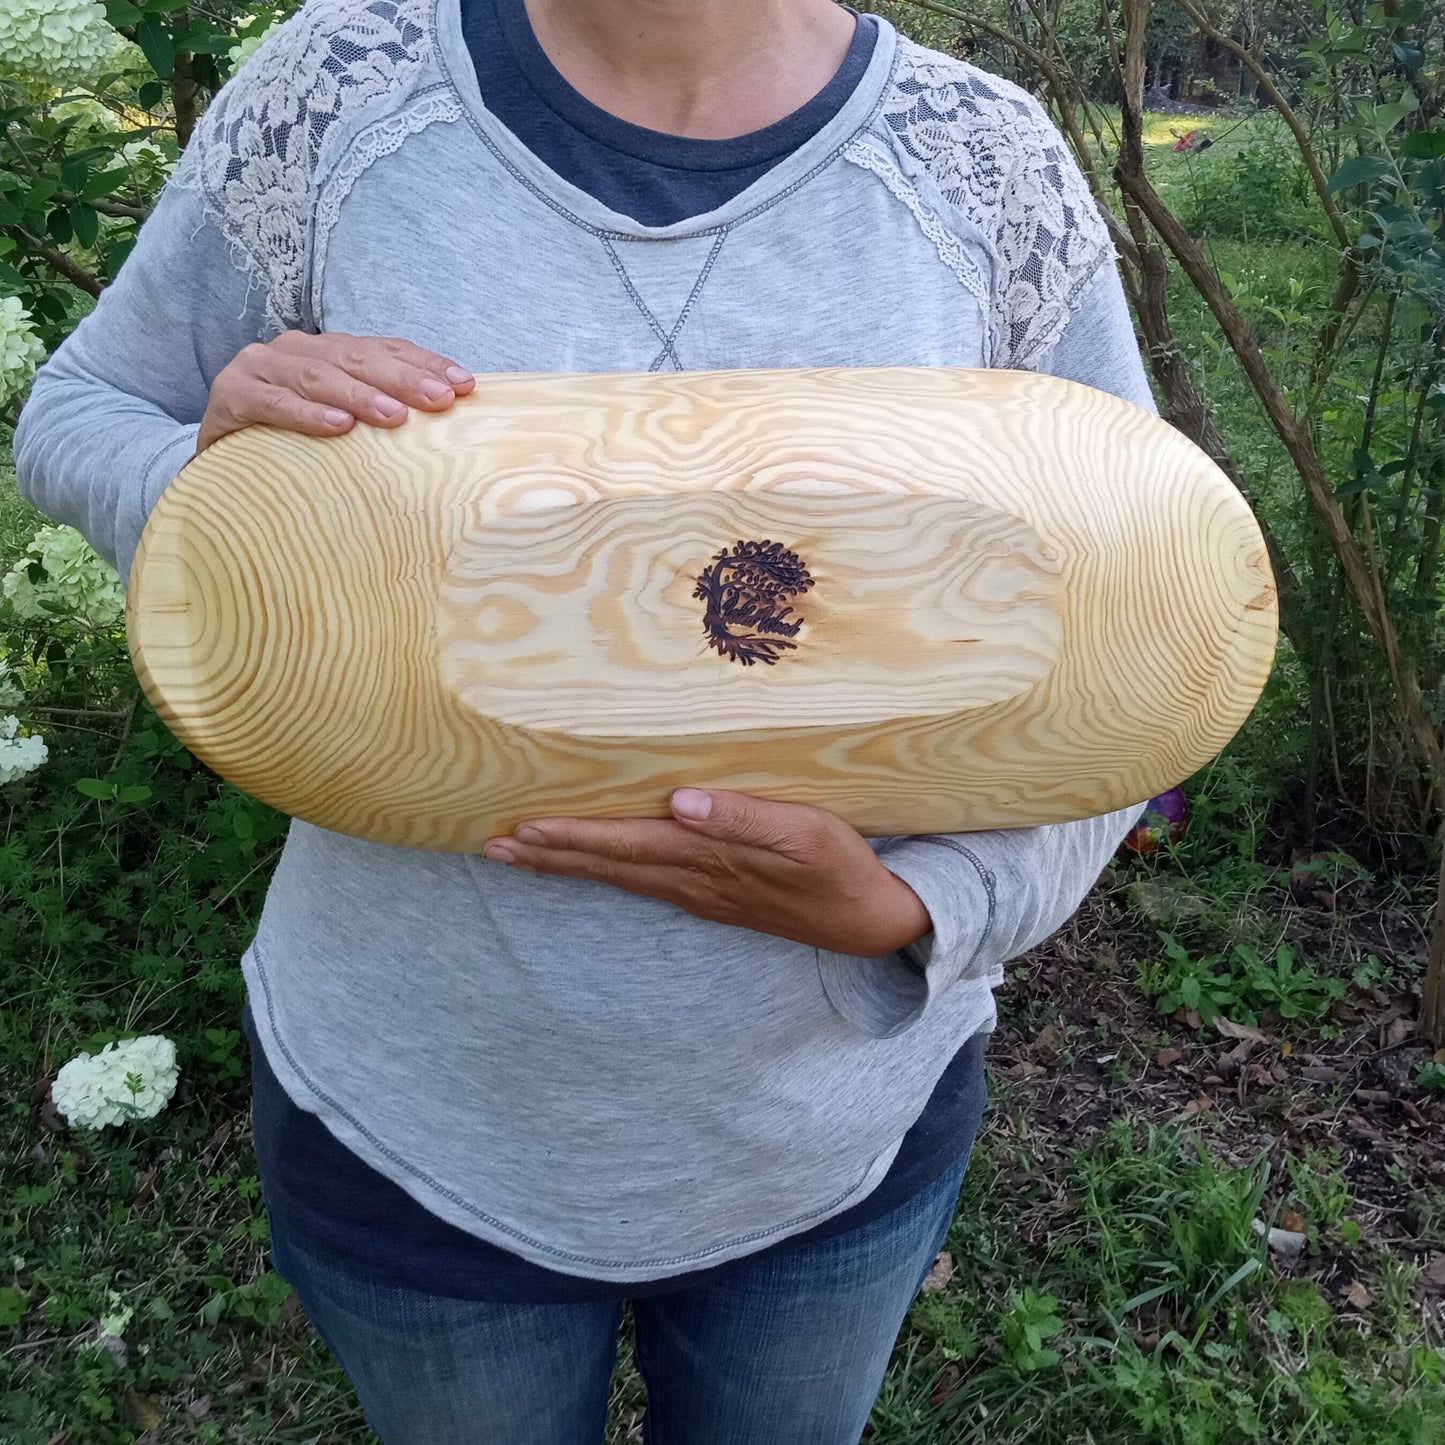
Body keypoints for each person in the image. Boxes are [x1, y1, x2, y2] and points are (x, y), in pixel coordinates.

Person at [15, 0, 1153, 1438]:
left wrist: (919, 905)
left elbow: (1140, 620)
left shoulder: (982, 162)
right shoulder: (342, 88)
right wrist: (213, 479)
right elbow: (78, 408)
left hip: (827, 1136)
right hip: (417, 1119)